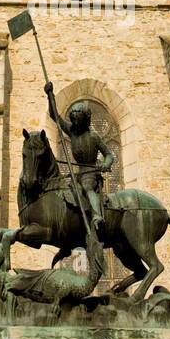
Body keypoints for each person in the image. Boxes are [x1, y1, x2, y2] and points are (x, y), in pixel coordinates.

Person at [44, 81, 113, 236]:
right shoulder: (72, 131)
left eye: (77, 119)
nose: (74, 122)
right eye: (73, 119)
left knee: (88, 188)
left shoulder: (93, 137)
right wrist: (50, 95)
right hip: (78, 174)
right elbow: (56, 117)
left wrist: (105, 163)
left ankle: (97, 216)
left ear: (84, 120)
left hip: (90, 173)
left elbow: (109, 154)